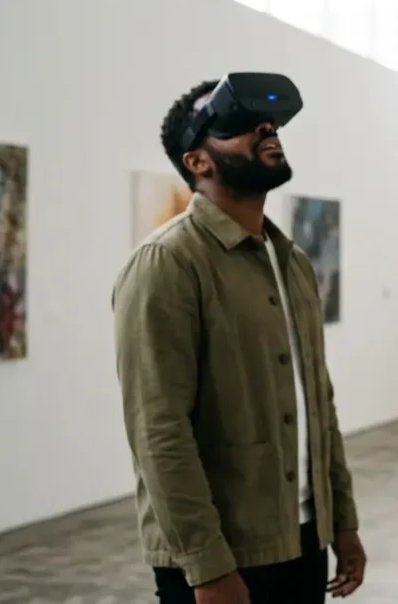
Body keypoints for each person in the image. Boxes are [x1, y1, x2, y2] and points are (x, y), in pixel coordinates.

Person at [112, 78, 366, 604]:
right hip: (223, 555)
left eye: (268, 123)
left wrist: (341, 520)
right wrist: (207, 567)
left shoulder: (293, 263)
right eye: (239, 124)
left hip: (302, 537)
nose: (266, 129)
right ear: (197, 162)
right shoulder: (167, 263)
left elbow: (318, 405)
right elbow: (159, 430)